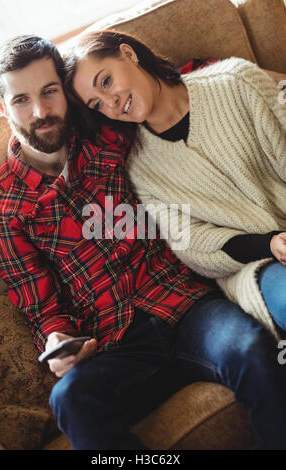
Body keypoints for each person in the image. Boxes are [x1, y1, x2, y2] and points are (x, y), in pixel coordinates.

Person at [0, 35, 286, 452]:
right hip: (116, 346)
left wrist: (271, 83)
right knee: (69, 399)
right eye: (21, 99)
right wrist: (57, 344)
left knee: (251, 349)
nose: (40, 111)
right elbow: (41, 306)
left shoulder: (104, 133)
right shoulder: (4, 208)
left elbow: (164, 88)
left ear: (66, 94)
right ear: (3, 108)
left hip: (186, 307)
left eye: (50, 92)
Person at [64, 29, 286, 345]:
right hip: (257, 266)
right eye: (97, 104)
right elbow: (193, 246)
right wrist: (270, 244)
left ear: (128, 54)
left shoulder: (236, 80)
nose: (111, 102)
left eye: (106, 81)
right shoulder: (139, 169)